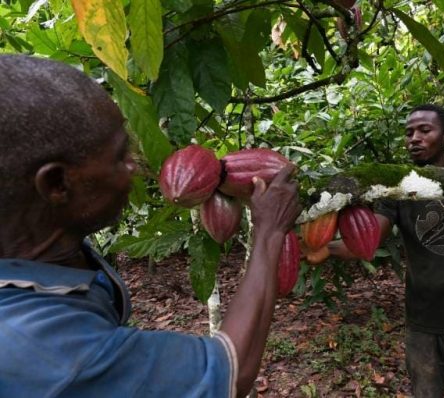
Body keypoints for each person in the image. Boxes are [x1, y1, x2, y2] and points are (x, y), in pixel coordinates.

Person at [0, 54, 302, 398]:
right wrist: (269, 230)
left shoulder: (42, 252)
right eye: (119, 156)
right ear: (57, 184)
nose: (134, 168)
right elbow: (226, 372)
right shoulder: (45, 352)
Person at [317, 104, 444, 397]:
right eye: (409, 132)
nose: (414, 138)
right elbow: (368, 241)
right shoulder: (400, 190)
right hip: (423, 325)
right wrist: (322, 247)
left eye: (425, 130)